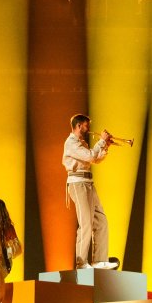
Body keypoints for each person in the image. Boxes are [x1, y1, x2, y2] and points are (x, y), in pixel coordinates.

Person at [62, 113, 117, 269]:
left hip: (88, 183)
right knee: (85, 222)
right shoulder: (71, 143)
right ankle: (81, 263)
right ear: (79, 126)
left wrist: (105, 146)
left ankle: (99, 259)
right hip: (77, 184)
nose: (89, 128)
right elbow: (90, 156)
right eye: (86, 125)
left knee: (101, 221)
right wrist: (101, 141)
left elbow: (96, 159)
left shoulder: (82, 143)